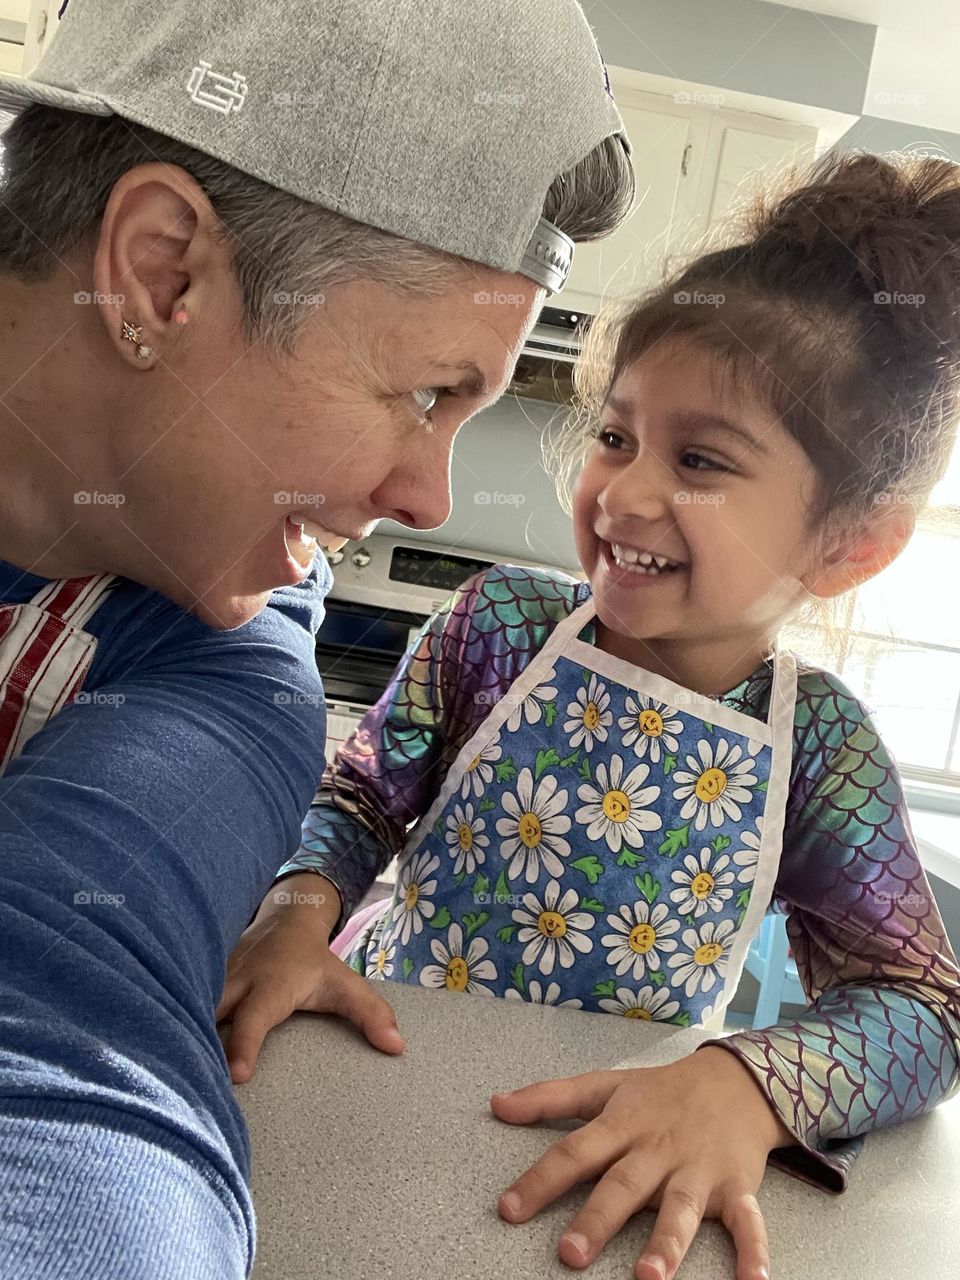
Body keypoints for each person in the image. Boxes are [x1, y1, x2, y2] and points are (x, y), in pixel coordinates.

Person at [220, 149, 960, 1280]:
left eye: (701, 459)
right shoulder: (502, 622)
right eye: (617, 435)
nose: (621, 491)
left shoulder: (820, 748)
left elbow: (921, 1006)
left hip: (599, 1150)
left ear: (851, 540)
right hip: (362, 1062)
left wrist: (744, 1080)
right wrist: (299, 904)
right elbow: (362, 794)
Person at [0, 0, 634, 1275]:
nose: (429, 497)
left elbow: (61, 1025)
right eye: (423, 391)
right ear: (161, 270)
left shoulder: (223, 657)